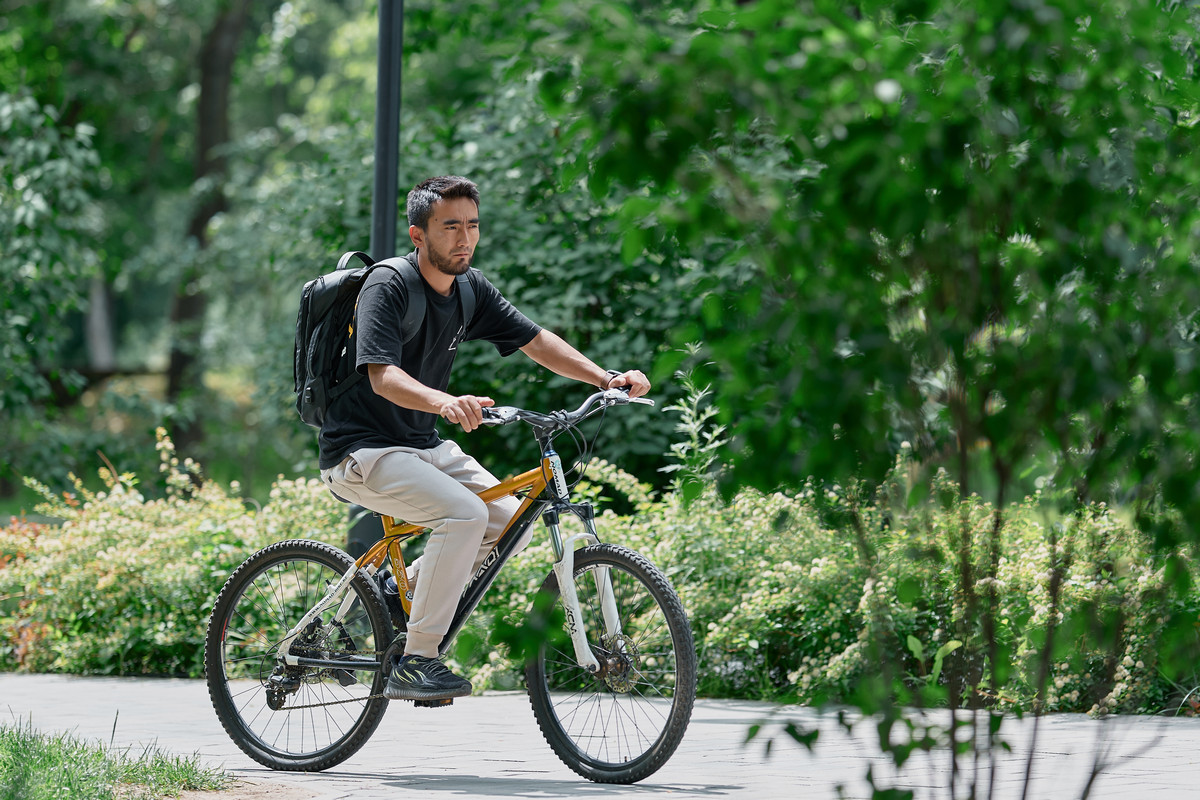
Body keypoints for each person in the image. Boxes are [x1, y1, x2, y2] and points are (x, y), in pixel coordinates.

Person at [319, 175, 649, 702]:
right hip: (362, 450)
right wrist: (444, 401)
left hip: (422, 446)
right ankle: (416, 659)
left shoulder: (470, 288)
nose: (464, 239)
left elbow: (535, 340)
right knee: (466, 514)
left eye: (472, 226)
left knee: (507, 522)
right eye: (450, 227)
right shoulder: (389, 285)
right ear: (417, 235)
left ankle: (392, 594)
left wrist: (605, 378)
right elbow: (382, 375)